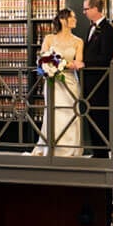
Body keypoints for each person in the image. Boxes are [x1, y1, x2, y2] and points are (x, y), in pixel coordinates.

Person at [30, 8, 84, 156]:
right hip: (53, 82)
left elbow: (78, 63)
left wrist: (58, 63)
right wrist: (59, 64)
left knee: (71, 112)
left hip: (70, 81)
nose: (75, 20)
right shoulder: (49, 39)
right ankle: (51, 147)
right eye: (72, 17)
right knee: (53, 113)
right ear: (62, 20)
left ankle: (70, 148)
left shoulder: (78, 42)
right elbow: (42, 59)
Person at [81, 0, 113, 157]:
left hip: (100, 81)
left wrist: (84, 64)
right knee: (91, 114)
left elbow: (105, 57)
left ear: (95, 9)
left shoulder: (108, 30)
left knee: (100, 115)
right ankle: (97, 150)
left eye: (86, 9)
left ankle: (102, 151)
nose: (84, 12)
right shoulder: (91, 28)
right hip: (89, 80)